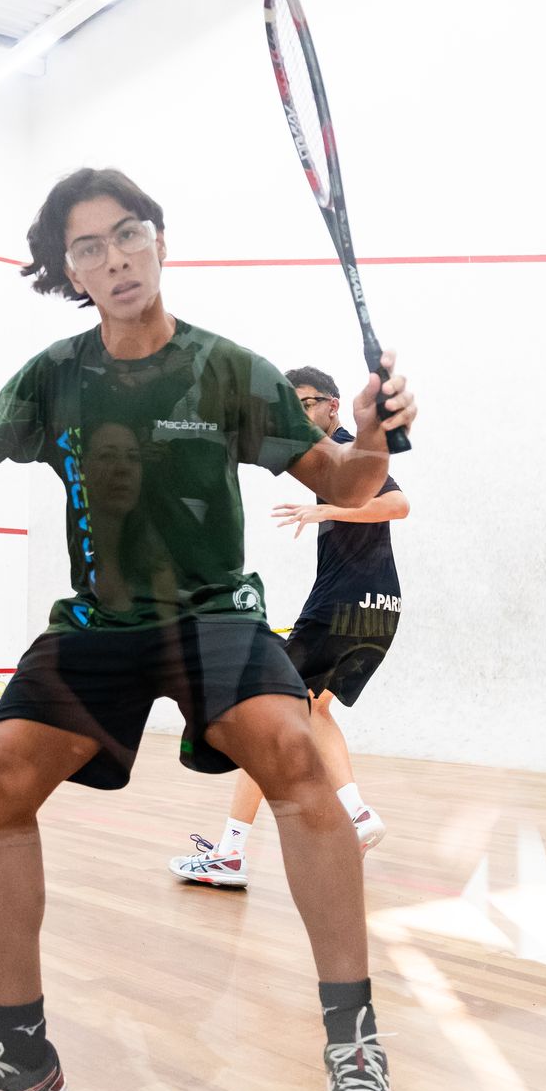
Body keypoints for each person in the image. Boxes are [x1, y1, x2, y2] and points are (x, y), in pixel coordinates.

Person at [0, 168, 416, 1091]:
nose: (116, 258)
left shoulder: (228, 369)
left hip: (215, 616)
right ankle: (23, 1061)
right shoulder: (52, 376)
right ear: (70, 272)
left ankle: (355, 1046)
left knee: (294, 754)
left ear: (159, 239)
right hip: (101, 623)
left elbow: (343, 481)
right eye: (89, 247)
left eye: (128, 234)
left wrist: (374, 432)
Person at [169, 366, 409, 888]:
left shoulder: (346, 451)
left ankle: (230, 854)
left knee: (263, 718)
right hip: (381, 608)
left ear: (333, 406)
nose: (296, 415)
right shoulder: (329, 457)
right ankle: (358, 815)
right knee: (313, 710)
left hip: (343, 604)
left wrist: (328, 509)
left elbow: (398, 504)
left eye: (304, 404)